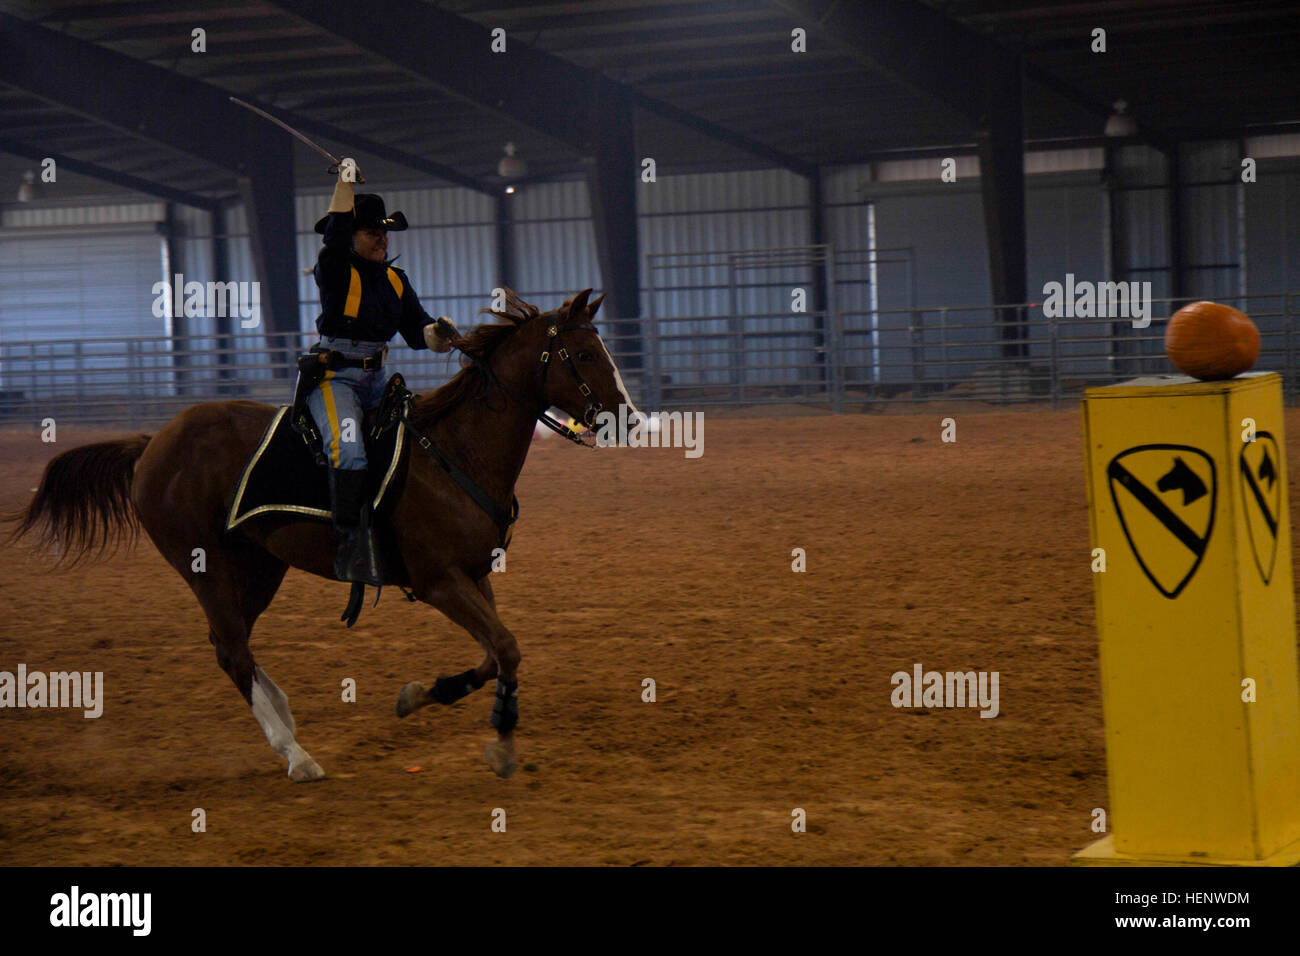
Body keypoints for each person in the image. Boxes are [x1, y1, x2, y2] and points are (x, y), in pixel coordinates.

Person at [305, 157, 457, 585]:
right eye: (373, 232)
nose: (382, 240)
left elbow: (417, 329)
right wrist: (344, 185)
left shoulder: (396, 281)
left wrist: (438, 334)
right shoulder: (333, 267)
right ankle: (350, 547)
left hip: (378, 382)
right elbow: (333, 240)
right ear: (353, 236)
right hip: (336, 379)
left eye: (384, 233)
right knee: (349, 449)